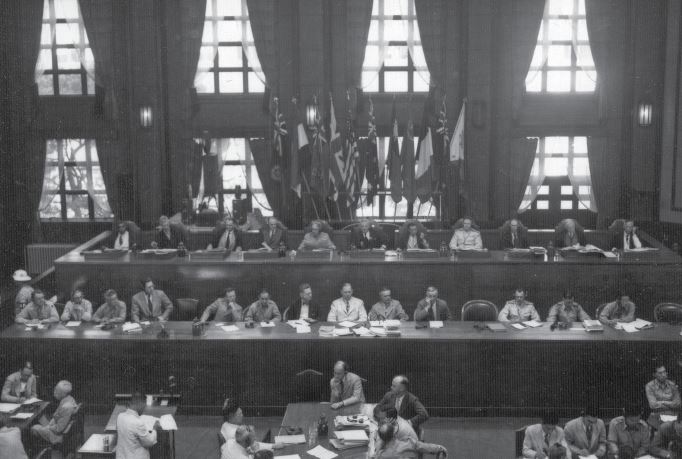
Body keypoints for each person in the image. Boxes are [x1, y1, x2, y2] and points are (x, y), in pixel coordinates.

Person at [30, 380, 77, 446]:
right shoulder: (69, 398)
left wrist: (48, 427)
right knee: (40, 418)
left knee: (34, 428)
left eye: (57, 391)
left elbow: (58, 429)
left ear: (63, 394)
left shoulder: (66, 407)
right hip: (56, 424)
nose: (54, 392)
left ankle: (37, 448)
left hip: (57, 436)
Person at [115, 392, 158, 459]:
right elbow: (149, 442)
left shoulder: (120, 416)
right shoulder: (138, 423)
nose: (144, 409)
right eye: (144, 406)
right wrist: (154, 429)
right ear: (140, 404)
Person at [374, 423, 446, 458]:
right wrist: (441, 449)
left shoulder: (380, 454)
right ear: (394, 434)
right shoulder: (408, 443)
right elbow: (428, 448)